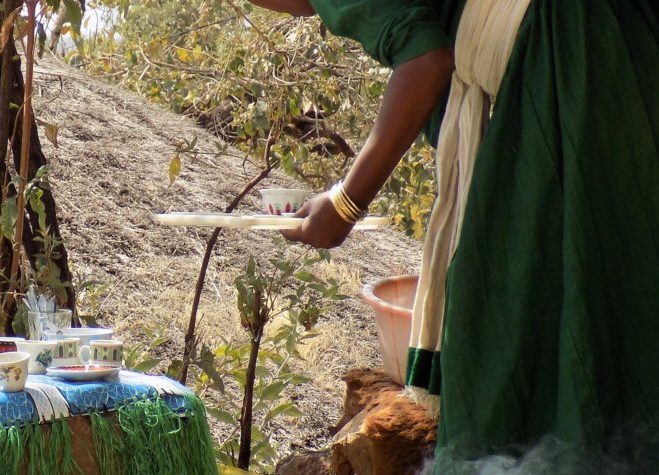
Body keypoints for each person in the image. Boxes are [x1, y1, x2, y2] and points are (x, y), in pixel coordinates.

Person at [251, 0, 659, 472]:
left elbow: (428, 60)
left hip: (570, 71)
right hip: (625, 47)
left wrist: (344, 202)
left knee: (523, 342)